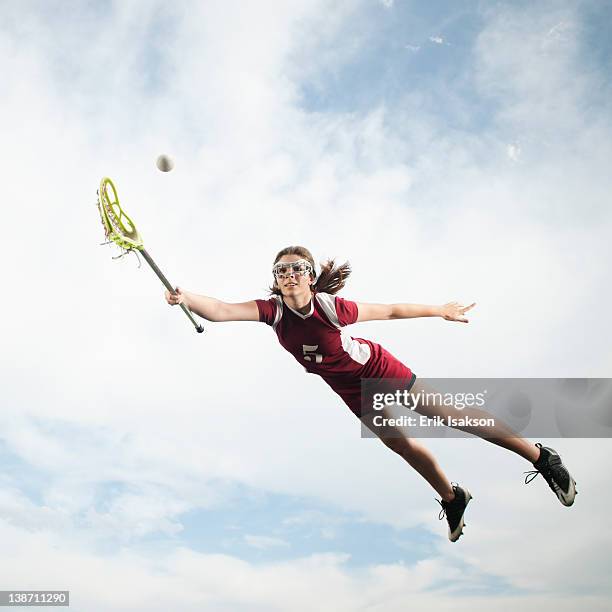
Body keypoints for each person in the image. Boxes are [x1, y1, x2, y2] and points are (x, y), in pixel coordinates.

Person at [165, 245, 577, 542]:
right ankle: (453, 497)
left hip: (378, 369)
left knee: (454, 417)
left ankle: (542, 458)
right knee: (404, 448)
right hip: (351, 390)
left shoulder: (330, 307)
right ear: (275, 281)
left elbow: (392, 310)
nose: (287, 274)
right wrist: (185, 297)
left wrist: (440, 310)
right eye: (280, 270)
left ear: (309, 276)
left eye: (296, 268)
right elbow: (219, 310)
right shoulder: (272, 313)